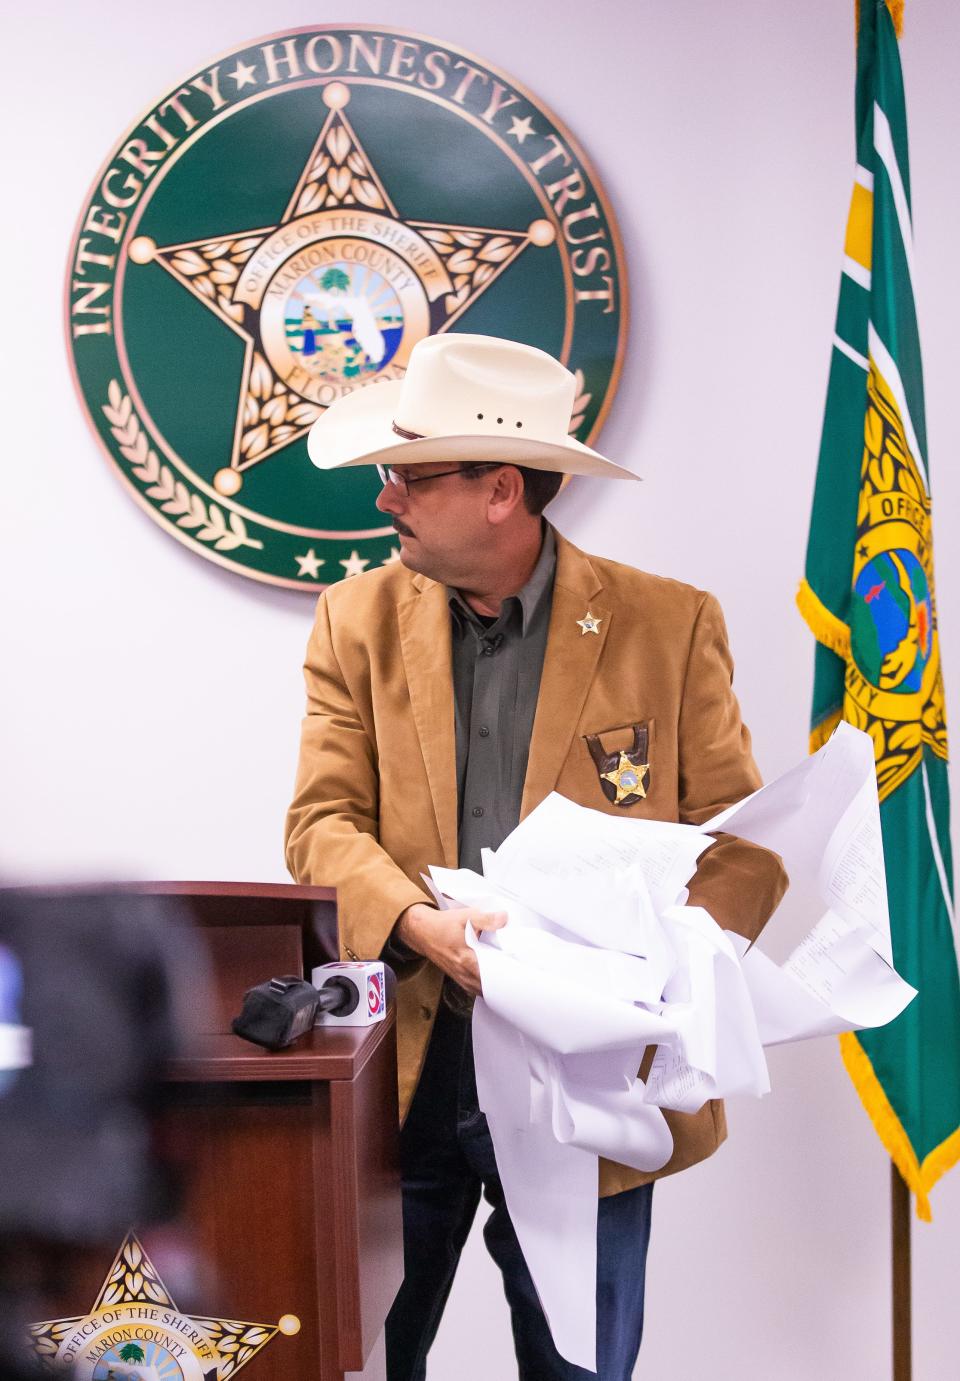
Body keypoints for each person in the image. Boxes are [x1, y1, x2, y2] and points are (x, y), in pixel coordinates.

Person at [285, 334, 787, 1381]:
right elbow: (320, 826)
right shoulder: (355, 619)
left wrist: (650, 978)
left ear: (500, 489)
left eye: (409, 476)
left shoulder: (669, 623)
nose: (387, 499)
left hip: (589, 1081)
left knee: (579, 1370)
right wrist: (419, 922)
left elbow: (745, 847)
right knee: (361, 1359)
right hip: (400, 1071)